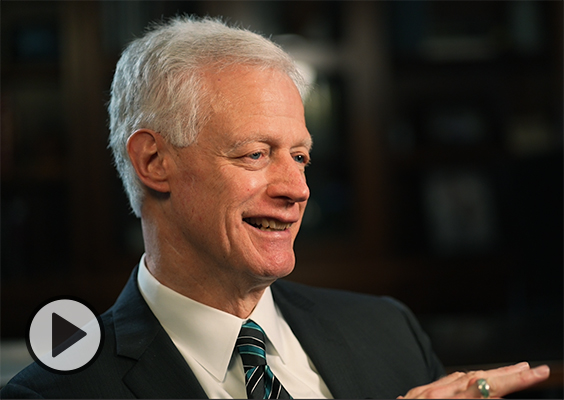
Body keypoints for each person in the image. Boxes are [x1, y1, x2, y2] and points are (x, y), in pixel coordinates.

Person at [1, 16, 550, 399]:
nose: (297, 188)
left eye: (302, 157)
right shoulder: (60, 391)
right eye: (255, 154)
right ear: (153, 161)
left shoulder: (386, 330)